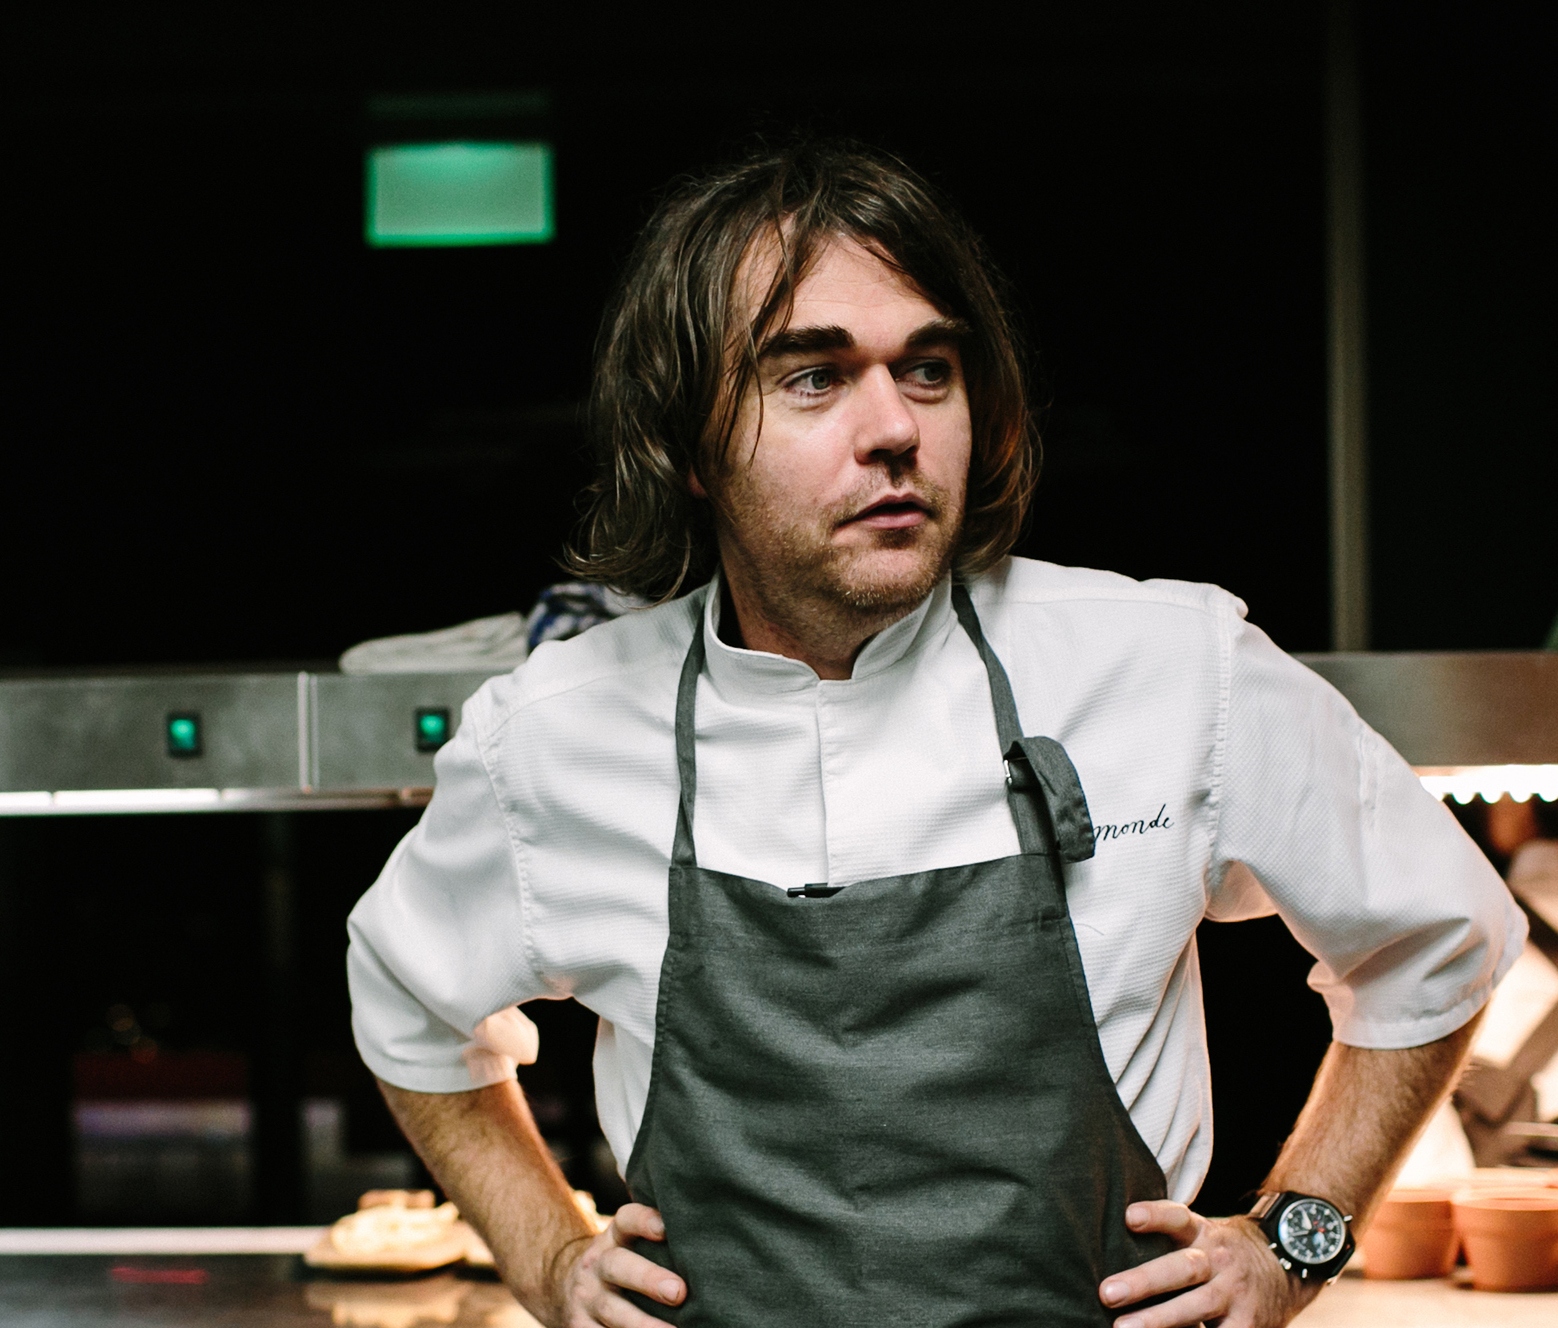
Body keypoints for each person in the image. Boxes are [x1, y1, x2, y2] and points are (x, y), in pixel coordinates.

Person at [346, 142, 1524, 1328]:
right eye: (812, 377)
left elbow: (1437, 936)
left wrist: (1292, 1241)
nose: (894, 426)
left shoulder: (1171, 667)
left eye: (927, 368)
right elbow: (407, 998)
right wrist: (549, 1257)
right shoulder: (556, 735)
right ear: (689, 443)